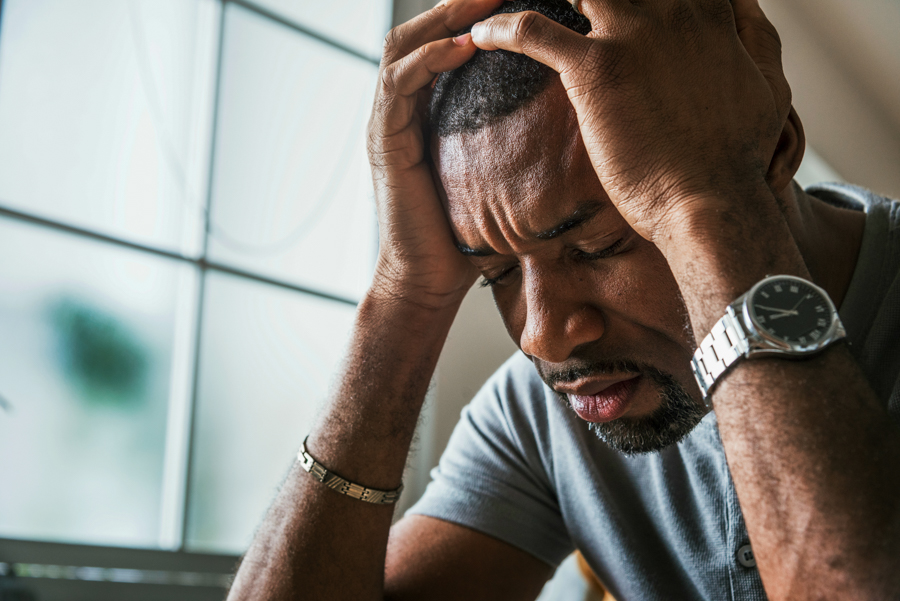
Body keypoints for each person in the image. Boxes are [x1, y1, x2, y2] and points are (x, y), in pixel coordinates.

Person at [227, 0, 900, 599]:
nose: (543, 337)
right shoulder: (537, 417)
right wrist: (403, 296)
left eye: (600, 247)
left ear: (774, 148)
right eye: (497, 274)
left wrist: (711, 200)